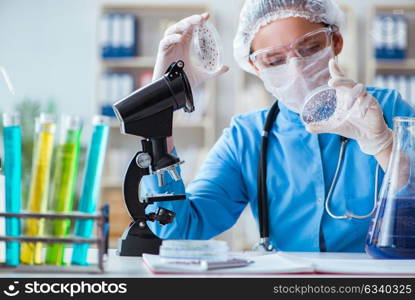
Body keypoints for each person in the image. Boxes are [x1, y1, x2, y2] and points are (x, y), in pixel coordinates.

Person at [141, 0, 414, 252]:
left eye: (310, 48)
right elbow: (180, 228)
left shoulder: (389, 111)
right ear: (255, 66)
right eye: (274, 60)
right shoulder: (245, 137)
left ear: (336, 41)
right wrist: (161, 104)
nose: (297, 67)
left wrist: (385, 147)